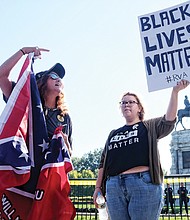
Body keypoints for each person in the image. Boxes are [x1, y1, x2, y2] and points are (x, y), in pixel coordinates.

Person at [93, 80, 190, 220]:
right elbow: (103, 162)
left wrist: (175, 92)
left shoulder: (149, 126)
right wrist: (98, 188)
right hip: (114, 186)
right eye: (123, 102)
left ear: (139, 108)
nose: (126, 104)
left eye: (131, 102)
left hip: (143, 184)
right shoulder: (113, 133)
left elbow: (169, 120)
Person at [0, 47, 73, 155]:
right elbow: (2, 76)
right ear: (40, 82)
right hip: (28, 169)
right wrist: (23, 51)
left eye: (59, 78)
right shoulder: (26, 103)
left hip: (52, 171)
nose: (58, 79)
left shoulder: (65, 117)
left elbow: (69, 157)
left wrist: (66, 146)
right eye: (53, 76)